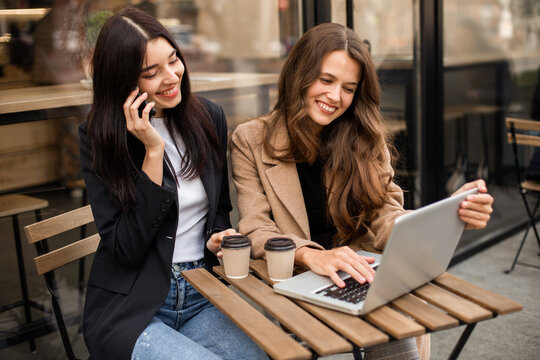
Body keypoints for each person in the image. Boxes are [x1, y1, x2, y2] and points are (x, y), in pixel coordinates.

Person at [230, 23, 494, 360]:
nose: (335, 97)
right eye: (326, 80)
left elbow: (384, 214)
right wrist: (313, 255)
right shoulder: (250, 139)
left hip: (360, 274)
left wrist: (449, 216)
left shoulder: (365, 137)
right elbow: (255, 227)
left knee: (395, 331)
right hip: (294, 279)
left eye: (348, 88)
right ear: (299, 74)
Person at [79, 7, 267, 360]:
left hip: (202, 292)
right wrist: (153, 150)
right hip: (133, 307)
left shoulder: (208, 117)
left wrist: (219, 235)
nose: (171, 77)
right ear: (124, 81)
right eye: (151, 72)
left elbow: (220, 208)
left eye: (173, 60)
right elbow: (126, 248)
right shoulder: (99, 138)